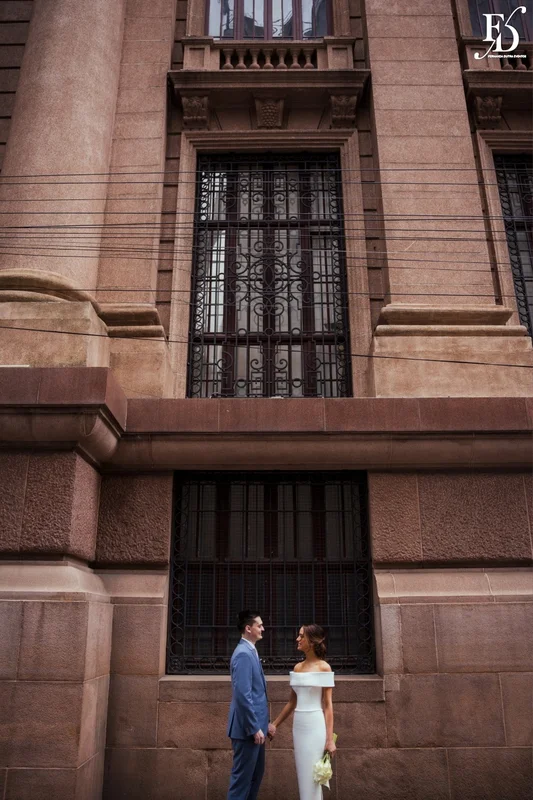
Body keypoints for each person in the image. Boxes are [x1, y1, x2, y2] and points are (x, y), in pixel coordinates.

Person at [269, 624, 335, 800]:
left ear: (312, 642)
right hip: (299, 727)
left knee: (314, 777)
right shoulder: (297, 668)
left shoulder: (324, 668)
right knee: (303, 775)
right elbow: (292, 703)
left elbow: (328, 706)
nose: (297, 639)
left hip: (315, 726)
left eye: (301, 636)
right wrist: (274, 724)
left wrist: (330, 740)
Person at [227, 610, 276, 799]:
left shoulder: (251, 651)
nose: (263, 628)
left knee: (254, 778)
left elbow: (257, 695)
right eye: (259, 625)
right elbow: (242, 695)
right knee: (242, 782)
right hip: (247, 730)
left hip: (257, 728)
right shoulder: (243, 654)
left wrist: (266, 724)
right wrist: (254, 727)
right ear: (248, 628)